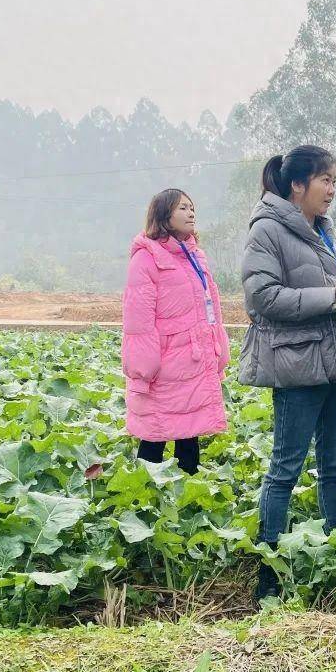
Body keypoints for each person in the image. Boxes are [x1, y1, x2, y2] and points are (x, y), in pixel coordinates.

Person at [238, 145, 336, 601]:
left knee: (334, 469)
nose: (332, 190)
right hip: (297, 366)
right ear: (298, 185)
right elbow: (264, 298)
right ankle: (268, 572)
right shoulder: (267, 230)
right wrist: (333, 295)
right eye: (326, 180)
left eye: (335, 181)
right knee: (285, 470)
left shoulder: (326, 232)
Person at [121, 188, 229, 474]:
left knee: (189, 434)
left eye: (192, 207)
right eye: (182, 208)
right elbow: (138, 323)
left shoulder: (195, 256)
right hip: (163, 367)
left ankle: (187, 500)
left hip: (192, 361)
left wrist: (218, 351)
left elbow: (212, 308)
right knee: (154, 436)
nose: (191, 213)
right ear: (163, 214)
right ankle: (144, 498)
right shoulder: (145, 259)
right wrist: (143, 371)